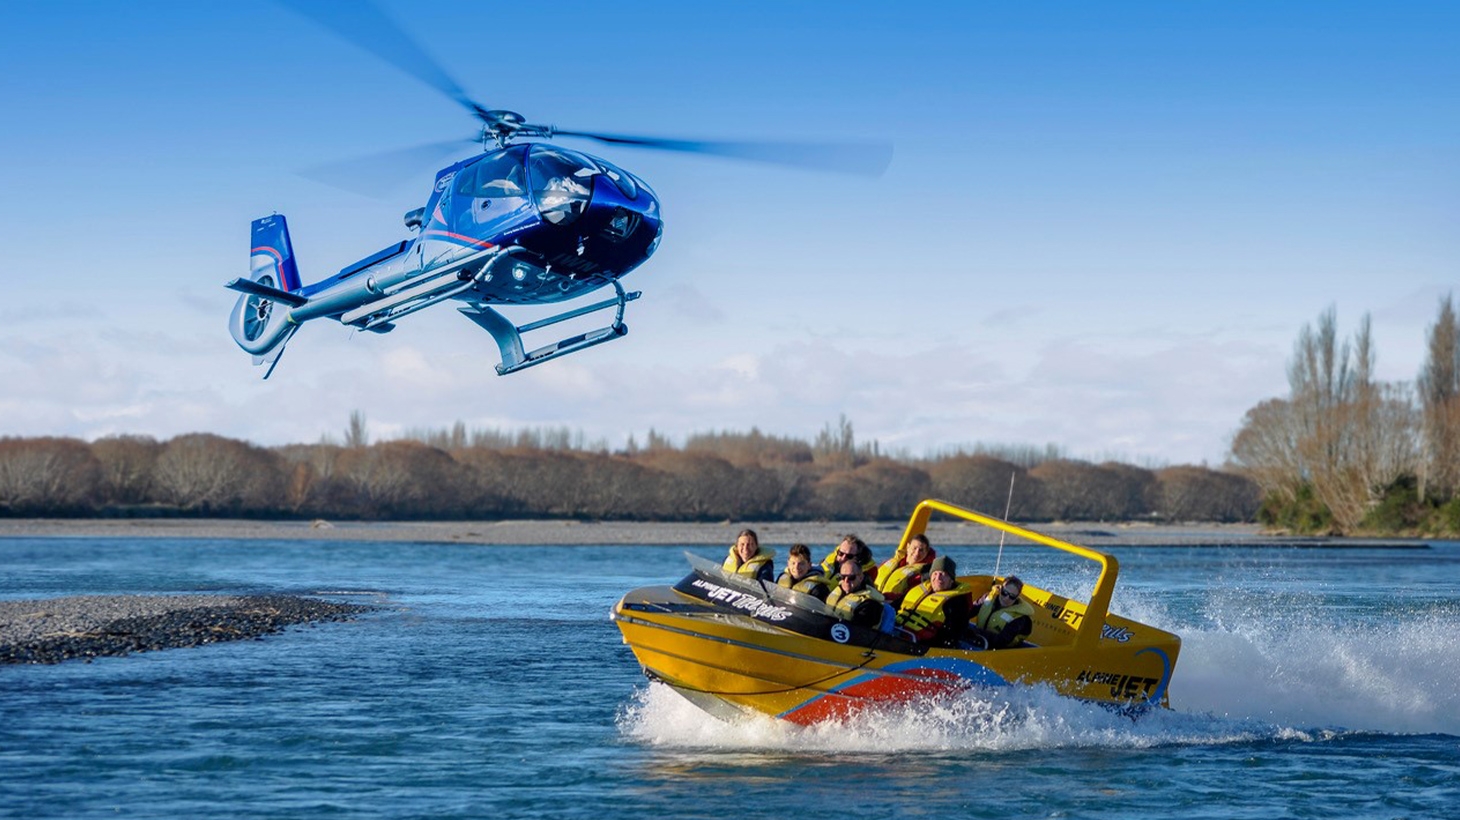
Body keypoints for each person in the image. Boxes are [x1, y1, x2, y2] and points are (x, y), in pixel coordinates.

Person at [895, 556, 973, 646]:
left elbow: (954, 634)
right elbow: (895, 606)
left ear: (951, 580)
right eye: (935, 573)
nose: (938, 577)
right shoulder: (919, 590)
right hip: (897, 633)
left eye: (943, 574)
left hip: (921, 645)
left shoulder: (956, 602)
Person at [966, 574, 1034, 649]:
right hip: (978, 641)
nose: (1007, 598)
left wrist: (974, 632)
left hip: (1001, 651)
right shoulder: (989, 598)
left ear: (1017, 597)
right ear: (1001, 589)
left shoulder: (1020, 618)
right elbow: (968, 611)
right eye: (1004, 593)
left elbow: (1002, 640)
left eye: (1012, 596)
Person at [874, 533, 936, 607]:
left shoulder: (923, 573)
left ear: (926, 552)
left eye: (921, 550)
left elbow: (911, 595)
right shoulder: (892, 562)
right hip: (873, 601)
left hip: (893, 607)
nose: (917, 553)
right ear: (908, 546)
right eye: (914, 548)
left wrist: (886, 597)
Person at [824, 558, 887, 629]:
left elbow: (859, 632)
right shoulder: (837, 590)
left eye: (851, 577)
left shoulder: (869, 603)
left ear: (860, 578)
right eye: (842, 577)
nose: (846, 581)